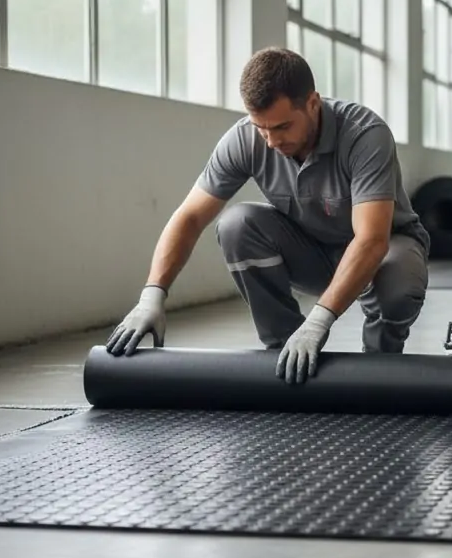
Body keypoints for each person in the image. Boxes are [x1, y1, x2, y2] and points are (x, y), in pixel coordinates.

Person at [106, 47, 430, 383]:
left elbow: (371, 240)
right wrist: (152, 296)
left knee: (399, 282)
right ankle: (285, 355)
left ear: (313, 104)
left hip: (384, 253)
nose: (272, 141)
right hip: (313, 253)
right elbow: (189, 217)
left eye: (283, 126)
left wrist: (318, 322)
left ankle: (379, 365)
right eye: (261, 128)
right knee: (236, 225)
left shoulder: (365, 135)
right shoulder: (246, 139)